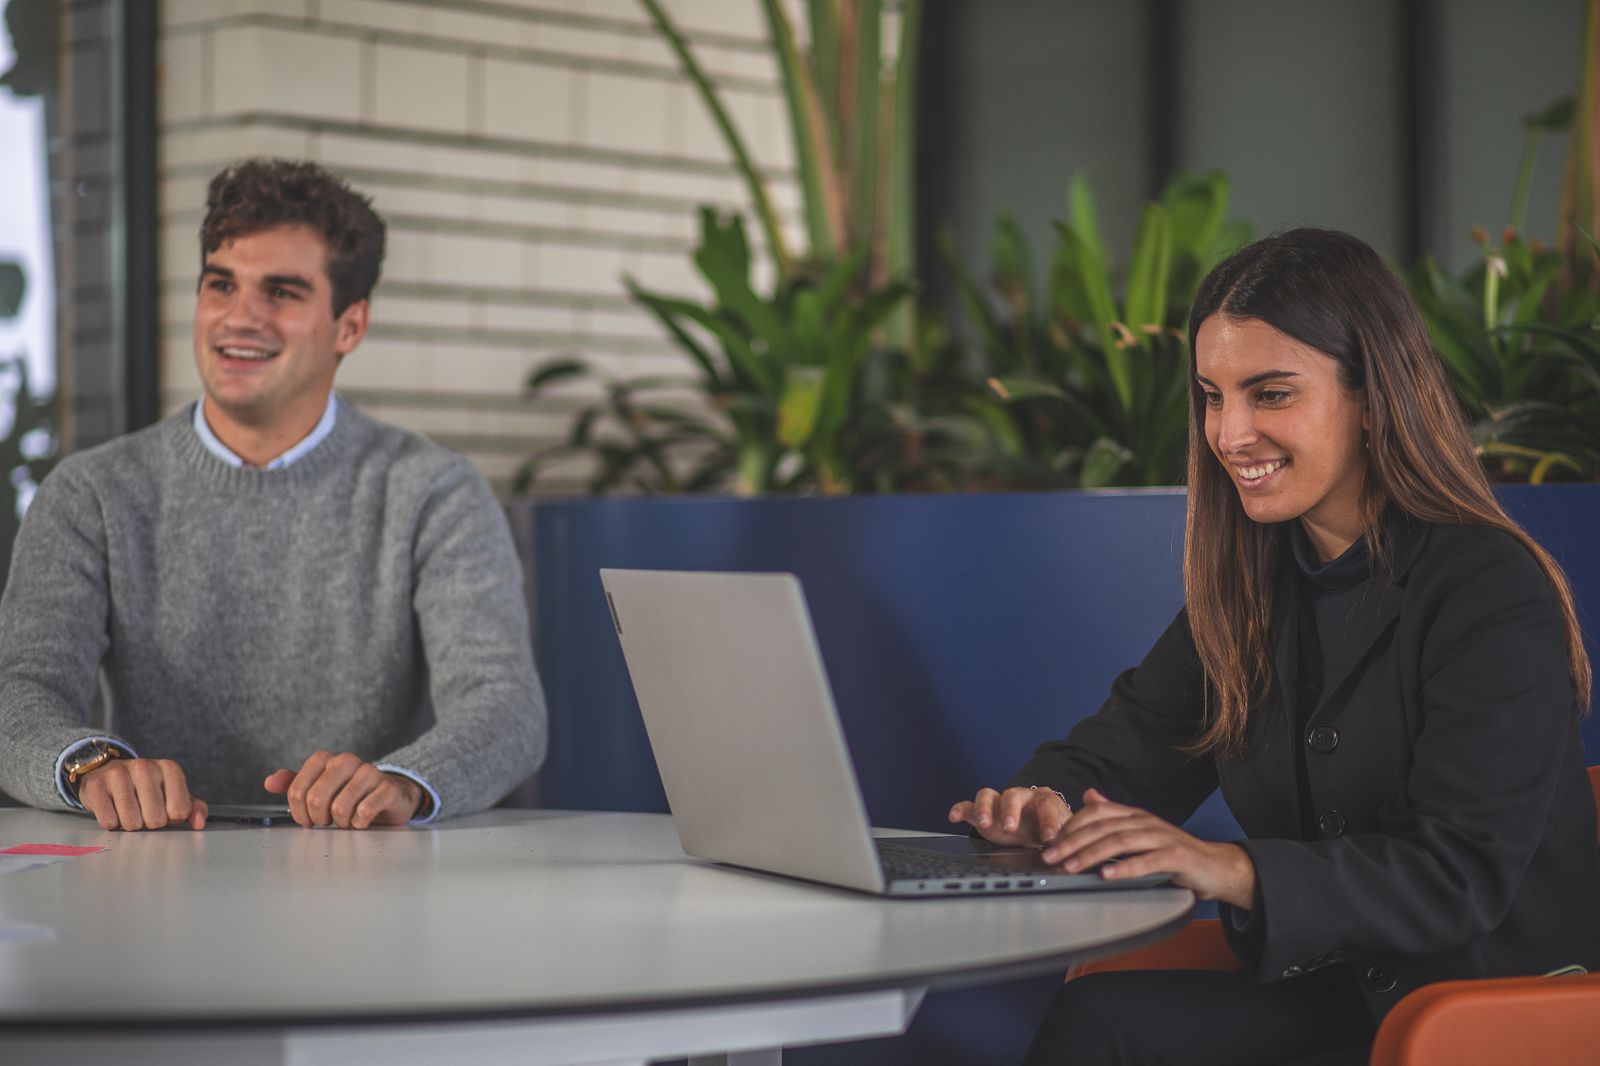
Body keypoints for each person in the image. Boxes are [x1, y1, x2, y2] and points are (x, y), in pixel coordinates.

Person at [950, 228, 1600, 1065]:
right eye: (1213, 396)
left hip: (1484, 1017)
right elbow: (1124, 753)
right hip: (1342, 999)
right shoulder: (1251, 589)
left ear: (1373, 395)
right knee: (1105, 1021)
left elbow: (1459, 875)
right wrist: (1038, 803)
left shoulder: (1487, 587)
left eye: (1271, 394)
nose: (1230, 432)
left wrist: (1232, 868)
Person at [0, 158, 547, 832]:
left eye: (282, 293)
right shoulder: (92, 492)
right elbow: (20, 692)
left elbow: (506, 707)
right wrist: (91, 764)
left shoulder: (434, 491)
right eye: (220, 284)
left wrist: (404, 782)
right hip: (147, 875)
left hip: (366, 883)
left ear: (350, 326)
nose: (239, 318)